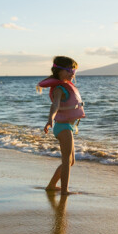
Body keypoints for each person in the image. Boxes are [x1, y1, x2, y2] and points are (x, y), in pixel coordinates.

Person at [37, 56, 86, 194]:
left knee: (71, 162)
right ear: (60, 71)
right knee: (66, 161)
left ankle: (52, 186)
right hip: (62, 127)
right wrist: (50, 119)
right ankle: (64, 190)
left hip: (68, 126)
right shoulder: (59, 88)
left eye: (74, 71)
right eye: (69, 70)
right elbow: (55, 105)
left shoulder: (67, 86)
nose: (72, 73)